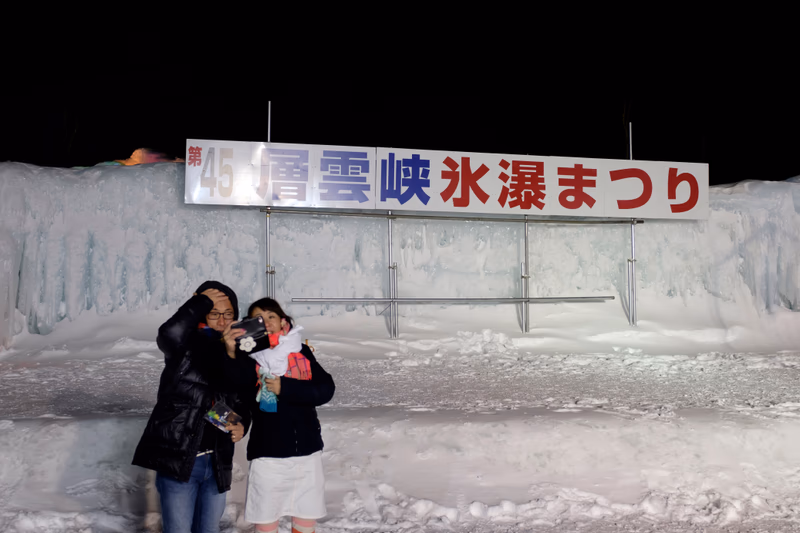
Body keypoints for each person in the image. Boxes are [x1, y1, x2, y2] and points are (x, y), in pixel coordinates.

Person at [132, 280, 253, 533]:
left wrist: (243, 423)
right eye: (214, 312)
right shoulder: (184, 346)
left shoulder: (237, 352)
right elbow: (168, 332)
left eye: (228, 314)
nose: (222, 320)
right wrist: (200, 301)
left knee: (208, 530)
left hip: (218, 460)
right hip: (181, 459)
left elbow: (244, 396)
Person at [243, 297, 335, 533]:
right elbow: (239, 400)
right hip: (268, 453)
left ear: (283, 321)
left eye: (271, 316)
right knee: (265, 519)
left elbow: (325, 389)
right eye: (259, 319)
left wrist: (286, 388)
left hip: (305, 451)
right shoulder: (247, 358)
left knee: (305, 520)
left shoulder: (300, 351)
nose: (266, 322)